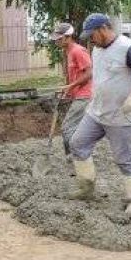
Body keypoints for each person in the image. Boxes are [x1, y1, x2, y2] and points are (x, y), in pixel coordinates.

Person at [69, 14, 131, 215]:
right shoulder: (97, 49)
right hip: (97, 111)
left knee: (124, 159)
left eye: (92, 35)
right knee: (77, 143)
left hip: (121, 115)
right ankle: (87, 188)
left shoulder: (129, 48)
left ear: (103, 29)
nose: (90, 40)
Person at [50, 22, 92, 158]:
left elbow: (89, 73)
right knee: (76, 127)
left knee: (67, 127)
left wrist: (71, 86)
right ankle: (76, 155)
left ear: (68, 37)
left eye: (59, 38)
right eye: (56, 38)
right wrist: (67, 90)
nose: (57, 41)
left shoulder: (78, 51)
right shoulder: (68, 52)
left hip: (85, 95)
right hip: (78, 94)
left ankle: (74, 156)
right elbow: (74, 76)